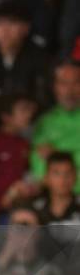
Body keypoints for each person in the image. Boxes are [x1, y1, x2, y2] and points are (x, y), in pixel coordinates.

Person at [0, 93, 37, 212]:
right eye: (23, 110)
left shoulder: (24, 144)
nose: (29, 115)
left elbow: (27, 175)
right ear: (6, 117)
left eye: (29, 110)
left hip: (16, 208)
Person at [30, 60, 80, 191]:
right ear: (54, 87)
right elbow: (39, 163)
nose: (69, 90)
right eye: (63, 83)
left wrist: (57, 155)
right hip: (53, 197)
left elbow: (49, 158)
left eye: (76, 83)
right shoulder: (45, 122)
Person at [31, 151, 80, 224]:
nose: (63, 179)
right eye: (56, 173)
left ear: (75, 176)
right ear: (46, 178)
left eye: (68, 173)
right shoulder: (34, 208)